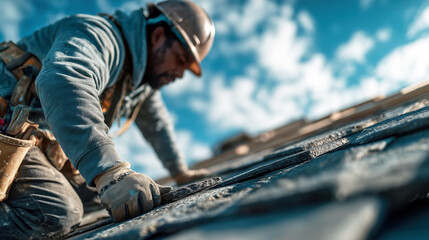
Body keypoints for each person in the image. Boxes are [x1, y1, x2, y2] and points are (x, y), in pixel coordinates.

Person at [0, 0, 215, 238]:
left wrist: (180, 172)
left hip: (19, 136)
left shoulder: (137, 80)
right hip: (6, 128)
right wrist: (109, 172)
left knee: (103, 196)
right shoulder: (100, 36)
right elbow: (62, 81)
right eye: (181, 60)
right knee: (52, 212)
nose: (180, 74)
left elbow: (158, 125)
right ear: (158, 36)